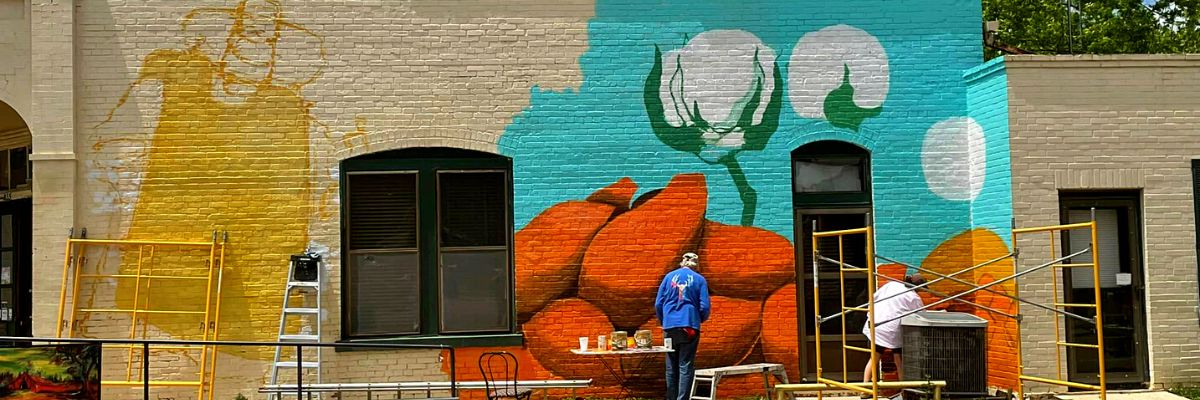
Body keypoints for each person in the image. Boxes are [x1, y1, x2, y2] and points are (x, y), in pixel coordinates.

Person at [656, 252, 711, 400]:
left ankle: (671, 398)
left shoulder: (668, 277)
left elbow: (658, 303)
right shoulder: (699, 280)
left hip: (669, 327)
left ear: (682, 263)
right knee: (685, 365)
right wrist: (699, 320)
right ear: (696, 265)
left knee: (671, 365)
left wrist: (664, 321)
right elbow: (704, 306)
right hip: (689, 326)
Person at [862, 274, 927, 383]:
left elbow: (873, 298)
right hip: (894, 331)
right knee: (899, 360)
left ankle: (865, 388)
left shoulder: (892, 285)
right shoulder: (914, 297)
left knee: (874, 359)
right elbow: (921, 315)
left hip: (876, 325)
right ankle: (903, 389)